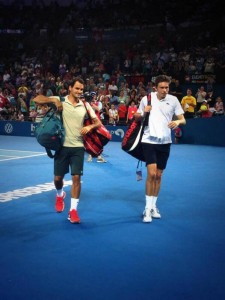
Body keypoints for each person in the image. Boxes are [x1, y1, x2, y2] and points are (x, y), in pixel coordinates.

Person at [33, 77, 101, 224]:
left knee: (77, 179)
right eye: (77, 88)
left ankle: (73, 211)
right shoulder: (60, 99)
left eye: (81, 89)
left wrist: (89, 127)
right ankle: (60, 194)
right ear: (70, 88)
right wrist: (55, 102)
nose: (79, 91)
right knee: (58, 179)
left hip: (78, 147)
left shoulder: (85, 105)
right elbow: (37, 99)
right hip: (61, 147)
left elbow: (98, 122)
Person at [134, 75, 186, 223]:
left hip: (165, 142)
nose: (165, 90)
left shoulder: (173, 100)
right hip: (148, 140)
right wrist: (144, 111)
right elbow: (136, 116)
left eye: (167, 87)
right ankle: (147, 208)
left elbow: (183, 119)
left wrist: (177, 122)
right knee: (151, 174)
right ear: (155, 88)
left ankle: (154, 206)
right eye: (162, 87)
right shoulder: (147, 99)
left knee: (159, 175)